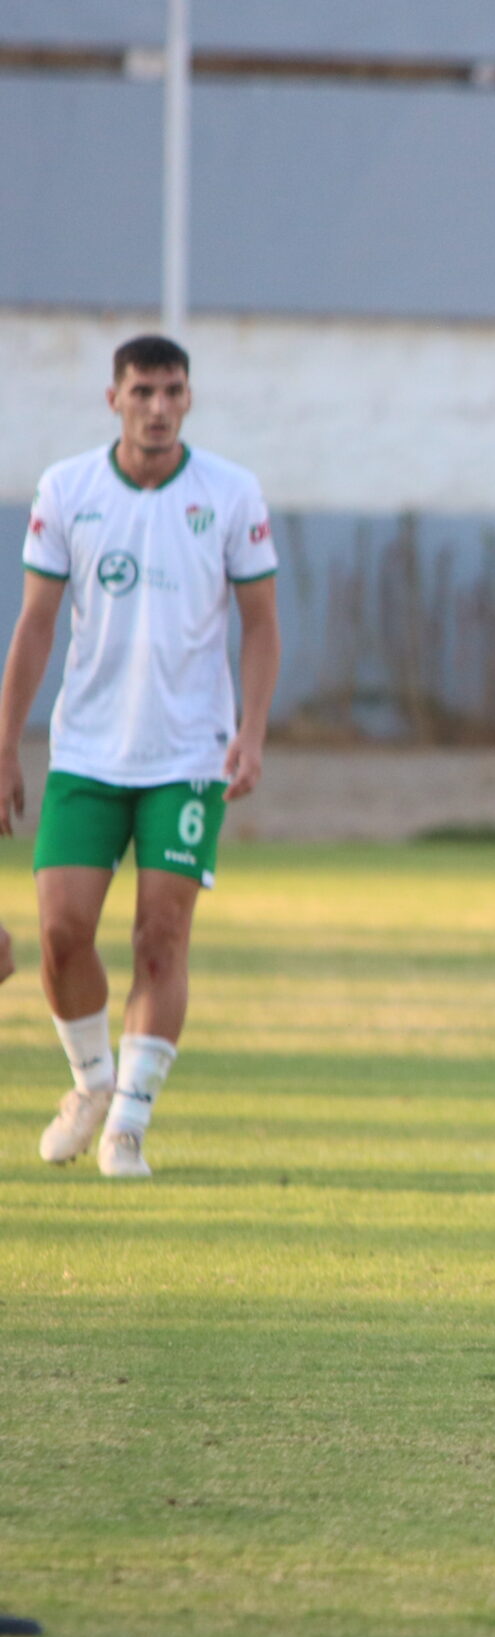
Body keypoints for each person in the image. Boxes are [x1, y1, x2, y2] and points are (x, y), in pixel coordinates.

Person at [3, 334, 281, 1180]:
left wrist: (252, 731)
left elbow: (261, 624)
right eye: (142, 392)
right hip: (87, 751)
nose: (158, 408)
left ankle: (127, 1124)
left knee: (161, 936)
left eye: (172, 391)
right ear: (113, 399)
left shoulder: (229, 493)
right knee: (61, 934)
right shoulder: (69, 489)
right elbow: (36, 625)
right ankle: (92, 1081)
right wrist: (6, 742)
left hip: (188, 754)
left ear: (188, 398)